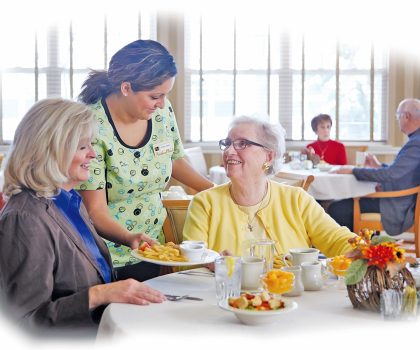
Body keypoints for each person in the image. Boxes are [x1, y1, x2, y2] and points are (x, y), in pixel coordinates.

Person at [0, 99, 165, 333]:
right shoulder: (25, 218)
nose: (93, 154)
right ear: (50, 151)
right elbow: (24, 323)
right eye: (82, 147)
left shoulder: (68, 201)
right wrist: (100, 294)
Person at [77, 39, 213, 281]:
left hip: (154, 248)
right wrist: (130, 239)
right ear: (126, 87)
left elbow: (175, 161)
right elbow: (95, 211)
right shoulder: (92, 126)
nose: (161, 104)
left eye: (165, 95)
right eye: (154, 97)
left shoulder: (162, 112)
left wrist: (217, 191)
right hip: (108, 254)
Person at [183, 116, 355, 257]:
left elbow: (336, 240)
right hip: (225, 296)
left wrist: (367, 251)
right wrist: (212, 265)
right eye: (227, 143)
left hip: (291, 296)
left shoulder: (296, 200)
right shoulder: (204, 203)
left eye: (242, 143)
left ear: (269, 156)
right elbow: (189, 264)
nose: (229, 151)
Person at [328, 98, 420, 234]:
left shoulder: (415, 143)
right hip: (400, 199)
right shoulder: (415, 140)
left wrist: (353, 170)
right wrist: (378, 165)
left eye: (398, 116)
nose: (398, 120)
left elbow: (391, 175)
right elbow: (400, 172)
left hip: (399, 206)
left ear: (406, 116)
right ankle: (366, 247)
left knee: (337, 208)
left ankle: (358, 249)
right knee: (345, 203)